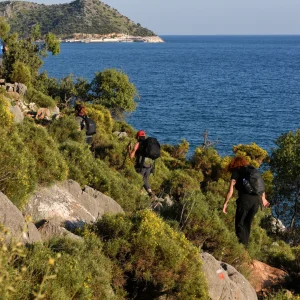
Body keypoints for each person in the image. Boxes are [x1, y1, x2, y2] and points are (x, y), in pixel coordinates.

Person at [222, 157, 269, 247]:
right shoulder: (251, 170)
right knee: (247, 224)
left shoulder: (236, 171)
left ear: (233, 164)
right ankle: (245, 249)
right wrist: (263, 198)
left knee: (239, 224)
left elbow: (230, 191)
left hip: (245, 199)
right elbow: (260, 186)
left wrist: (225, 203)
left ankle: (241, 249)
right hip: (256, 200)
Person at [129, 130, 154, 197]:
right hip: (150, 165)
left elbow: (131, 156)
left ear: (138, 136)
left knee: (139, 179)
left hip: (141, 165)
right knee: (145, 179)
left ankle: (137, 194)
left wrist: (129, 150)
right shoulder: (148, 144)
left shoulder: (138, 144)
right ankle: (150, 193)